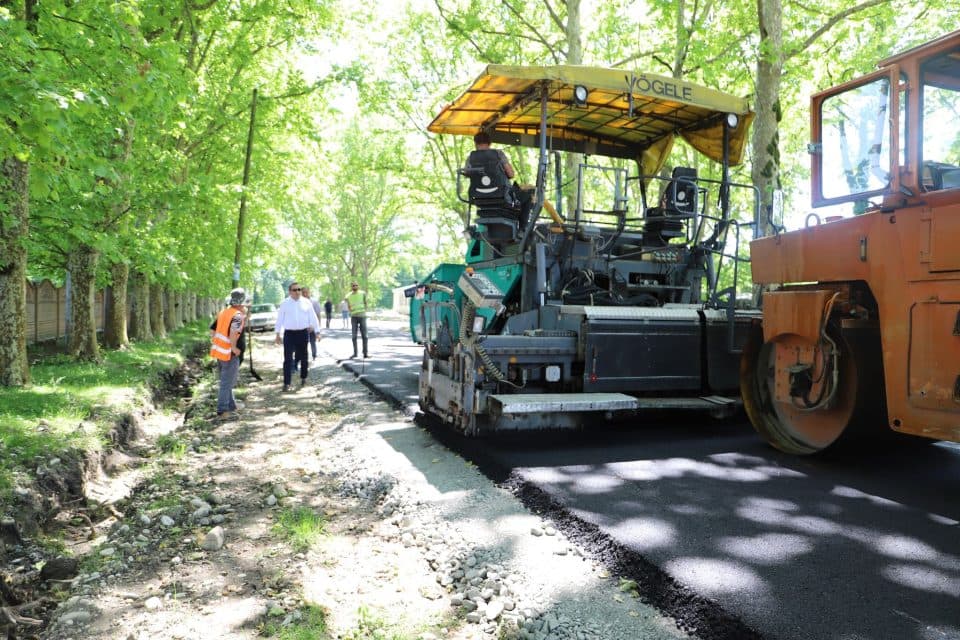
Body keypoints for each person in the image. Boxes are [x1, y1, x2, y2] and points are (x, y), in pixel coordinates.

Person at [468, 131, 533, 227]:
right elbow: (511, 174)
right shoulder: (498, 154)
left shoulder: (471, 158)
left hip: (478, 197)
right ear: (490, 143)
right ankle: (523, 229)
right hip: (502, 195)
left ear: (475, 143)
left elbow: (467, 173)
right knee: (528, 195)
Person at [274, 281, 321, 392]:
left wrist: (317, 332)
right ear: (290, 292)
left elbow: (313, 317)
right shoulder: (285, 303)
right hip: (289, 334)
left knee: (304, 357)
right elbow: (280, 319)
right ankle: (286, 383)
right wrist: (277, 334)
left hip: (303, 333)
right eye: (295, 290)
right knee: (288, 359)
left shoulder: (306, 302)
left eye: (299, 289)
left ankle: (303, 377)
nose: (297, 292)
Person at [210, 288, 247, 420]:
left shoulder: (224, 312)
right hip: (229, 354)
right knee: (226, 383)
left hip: (220, 353)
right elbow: (232, 333)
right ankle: (222, 411)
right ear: (242, 302)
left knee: (227, 381)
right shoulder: (237, 316)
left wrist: (217, 343)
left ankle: (232, 406)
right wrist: (234, 347)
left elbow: (212, 331)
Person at [345, 281, 369, 359]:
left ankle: (365, 353)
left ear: (358, 286)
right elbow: (348, 305)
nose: (355, 286)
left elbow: (366, 303)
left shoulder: (363, 293)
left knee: (364, 336)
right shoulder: (348, 296)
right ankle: (355, 353)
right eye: (353, 285)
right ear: (351, 287)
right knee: (354, 336)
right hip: (354, 317)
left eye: (356, 285)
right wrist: (351, 311)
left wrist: (364, 311)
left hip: (362, 316)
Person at [301, 287, 324, 361]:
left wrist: (318, 327)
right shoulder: (299, 302)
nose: (305, 294)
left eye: (306, 292)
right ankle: (304, 358)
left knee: (312, 342)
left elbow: (318, 315)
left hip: (312, 326)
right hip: (303, 327)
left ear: (309, 292)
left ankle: (314, 356)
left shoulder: (314, 302)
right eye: (303, 292)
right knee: (303, 344)